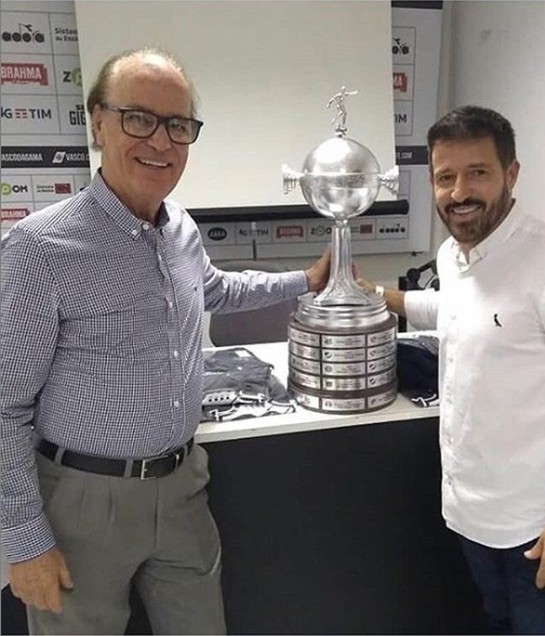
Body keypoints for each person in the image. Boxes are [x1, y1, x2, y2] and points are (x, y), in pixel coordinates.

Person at [1, 47, 329, 635]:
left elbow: (215, 289)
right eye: (138, 118)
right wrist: (24, 541)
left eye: (177, 125)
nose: (160, 141)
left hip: (182, 488)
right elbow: (5, 407)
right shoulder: (39, 248)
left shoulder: (180, 227)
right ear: (98, 123)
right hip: (82, 504)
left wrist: (304, 281)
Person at [359, 105, 545, 634]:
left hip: (541, 527)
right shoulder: (454, 254)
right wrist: (376, 294)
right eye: (446, 177)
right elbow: (460, 311)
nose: (459, 191)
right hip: (469, 514)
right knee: (496, 623)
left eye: (478, 173)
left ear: (511, 174)